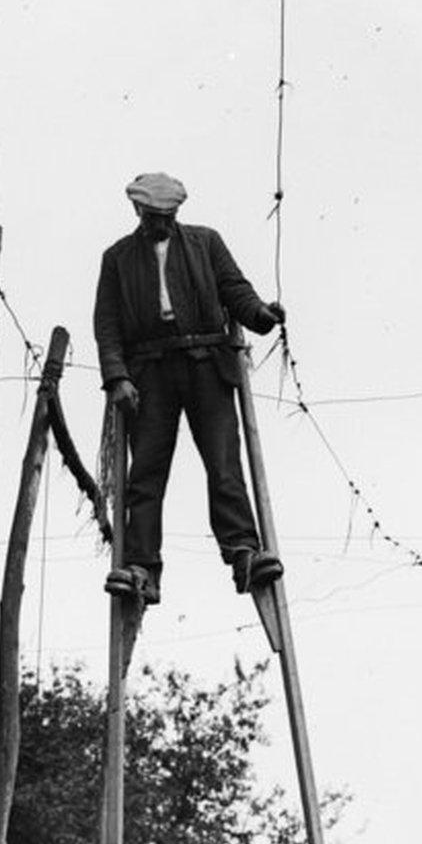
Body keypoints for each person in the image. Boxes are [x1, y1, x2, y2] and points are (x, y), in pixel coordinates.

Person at [94, 171, 286, 606]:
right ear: (138, 211)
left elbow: (235, 290)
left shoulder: (205, 243)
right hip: (149, 373)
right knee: (145, 471)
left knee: (223, 463)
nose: (162, 223)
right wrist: (118, 377)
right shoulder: (117, 258)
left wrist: (260, 314)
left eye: (169, 215)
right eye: (154, 215)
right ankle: (142, 566)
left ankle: (243, 552)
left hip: (206, 366)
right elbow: (106, 325)